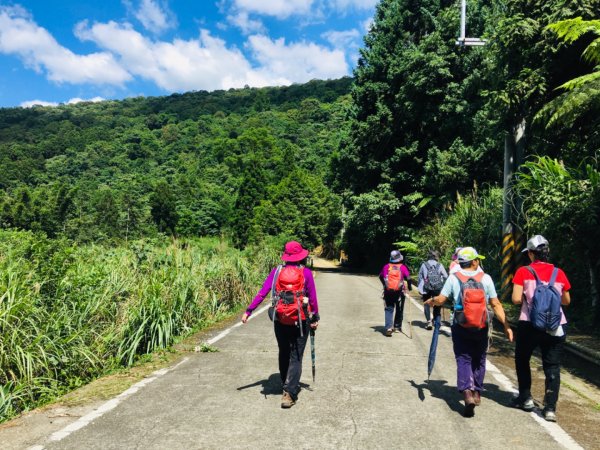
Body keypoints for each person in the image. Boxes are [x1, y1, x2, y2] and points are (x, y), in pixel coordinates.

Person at [425, 247, 513, 417]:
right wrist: (506, 326)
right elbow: (496, 304)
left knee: (463, 358)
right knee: (479, 358)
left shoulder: (453, 278)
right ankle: (477, 392)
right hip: (481, 326)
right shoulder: (485, 278)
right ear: (474, 262)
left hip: (460, 325)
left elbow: (441, 299)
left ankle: (467, 392)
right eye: (477, 259)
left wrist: (432, 301)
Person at [241, 241, 320, 409]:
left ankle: (285, 383)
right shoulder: (305, 272)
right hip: (301, 319)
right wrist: (315, 318)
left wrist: (249, 311)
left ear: (286, 255)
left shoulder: (277, 271)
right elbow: (312, 298)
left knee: (284, 351)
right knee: (296, 355)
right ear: (300, 256)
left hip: (280, 318)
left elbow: (263, 292)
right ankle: (289, 393)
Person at [511, 235, 571, 422]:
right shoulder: (559, 273)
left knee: (523, 359)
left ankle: (526, 398)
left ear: (531, 253)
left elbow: (515, 299)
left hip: (529, 323)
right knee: (552, 365)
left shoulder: (523, 271)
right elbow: (566, 301)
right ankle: (550, 408)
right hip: (555, 325)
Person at [379, 250, 412, 336]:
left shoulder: (386, 267)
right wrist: (410, 287)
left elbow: (380, 276)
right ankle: (397, 327)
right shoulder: (403, 267)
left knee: (389, 309)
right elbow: (408, 278)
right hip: (399, 292)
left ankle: (389, 327)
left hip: (388, 291)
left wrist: (384, 285)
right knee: (399, 309)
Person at [417, 250, 448, 329]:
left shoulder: (424, 265)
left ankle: (428, 322)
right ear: (436, 257)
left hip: (426, 288)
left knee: (426, 304)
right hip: (437, 288)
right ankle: (436, 321)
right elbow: (445, 276)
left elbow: (420, 277)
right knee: (437, 304)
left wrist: (420, 289)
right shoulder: (439, 265)